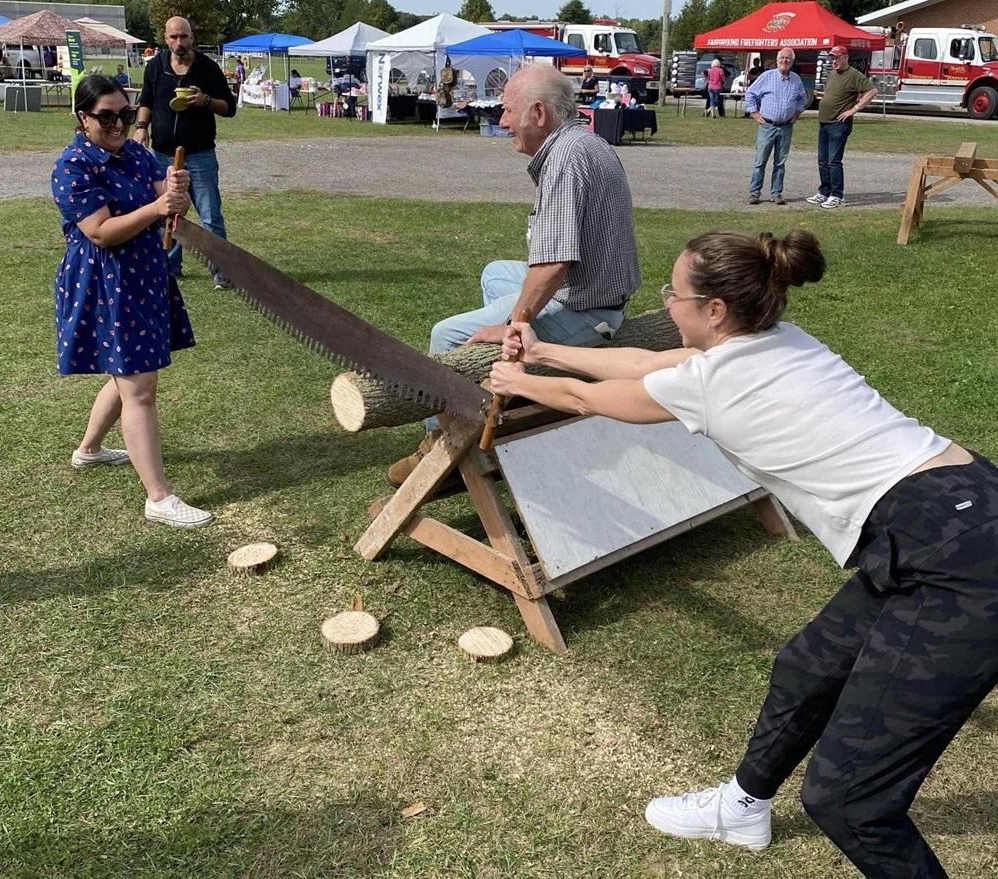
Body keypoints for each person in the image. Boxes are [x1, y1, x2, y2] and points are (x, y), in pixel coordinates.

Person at [490, 228, 998, 879]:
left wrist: (520, 379)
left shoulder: (718, 380)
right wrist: (544, 350)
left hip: (959, 562)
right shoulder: (774, 342)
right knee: (808, 666)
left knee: (848, 801)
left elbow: (594, 398)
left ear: (714, 311)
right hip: (959, 508)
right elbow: (650, 367)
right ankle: (743, 806)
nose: (664, 302)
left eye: (673, 293)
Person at [387, 64, 642, 486]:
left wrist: (510, 326)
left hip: (586, 309)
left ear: (538, 114)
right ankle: (505, 389)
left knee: (446, 336)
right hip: (596, 294)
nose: (501, 121)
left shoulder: (566, 159)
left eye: (508, 111)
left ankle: (442, 452)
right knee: (495, 274)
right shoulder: (582, 143)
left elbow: (553, 266)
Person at [51, 75, 213, 528]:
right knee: (138, 387)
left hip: (142, 277)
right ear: (83, 118)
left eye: (125, 114)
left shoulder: (135, 153)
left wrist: (172, 190)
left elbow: (164, 198)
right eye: (107, 116)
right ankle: (159, 497)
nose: (119, 123)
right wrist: (156, 210)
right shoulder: (72, 166)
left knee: (128, 374)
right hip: (106, 284)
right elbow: (100, 232)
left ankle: (89, 450)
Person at [134, 16, 236, 287]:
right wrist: (141, 127)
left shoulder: (208, 68)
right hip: (162, 154)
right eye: (173, 37)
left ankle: (221, 270)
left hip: (200, 154)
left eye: (184, 36)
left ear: (192, 37)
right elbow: (145, 101)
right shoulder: (155, 67)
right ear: (165, 39)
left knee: (210, 214)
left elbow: (229, 108)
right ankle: (169, 267)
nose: (179, 42)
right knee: (168, 212)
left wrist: (205, 101)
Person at [806, 46, 878, 209]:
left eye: (837, 58)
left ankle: (836, 194)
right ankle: (824, 191)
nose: (834, 61)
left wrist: (854, 109)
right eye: (832, 58)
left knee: (833, 161)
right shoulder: (832, 74)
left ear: (845, 57)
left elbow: (872, 91)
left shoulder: (854, 75)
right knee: (822, 160)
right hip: (824, 122)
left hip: (838, 124)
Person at [744, 48, 807, 206]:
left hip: (786, 127)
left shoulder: (796, 79)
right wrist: (755, 113)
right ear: (777, 60)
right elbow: (750, 93)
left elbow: (802, 98)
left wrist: (796, 115)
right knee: (761, 161)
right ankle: (755, 192)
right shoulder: (767, 76)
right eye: (782, 58)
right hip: (768, 125)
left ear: (792, 62)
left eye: (788, 58)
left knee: (780, 162)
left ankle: (776, 193)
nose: (784, 61)